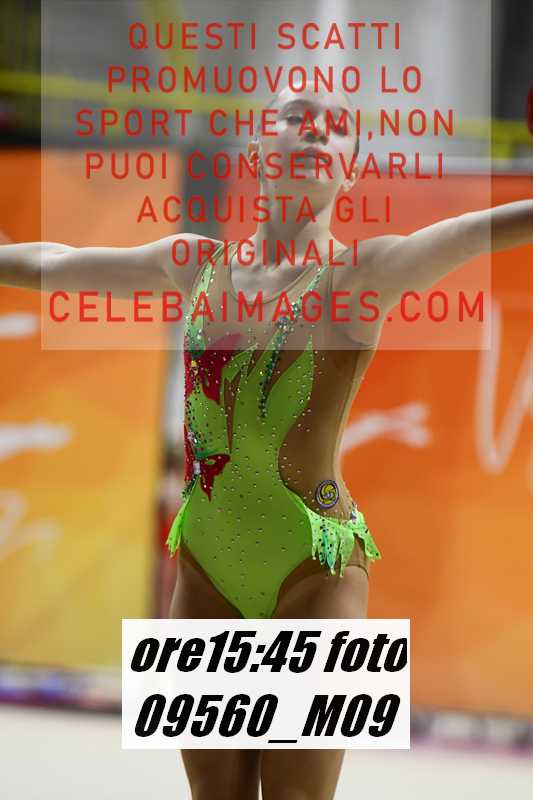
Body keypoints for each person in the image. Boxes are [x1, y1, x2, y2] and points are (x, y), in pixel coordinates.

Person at [1, 83, 532, 800]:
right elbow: (55, 263)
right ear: (257, 149)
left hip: (315, 569)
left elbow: (471, 233)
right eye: (295, 118)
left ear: (352, 167)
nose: (314, 130)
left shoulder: (361, 275)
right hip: (203, 569)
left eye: (335, 126)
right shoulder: (191, 262)